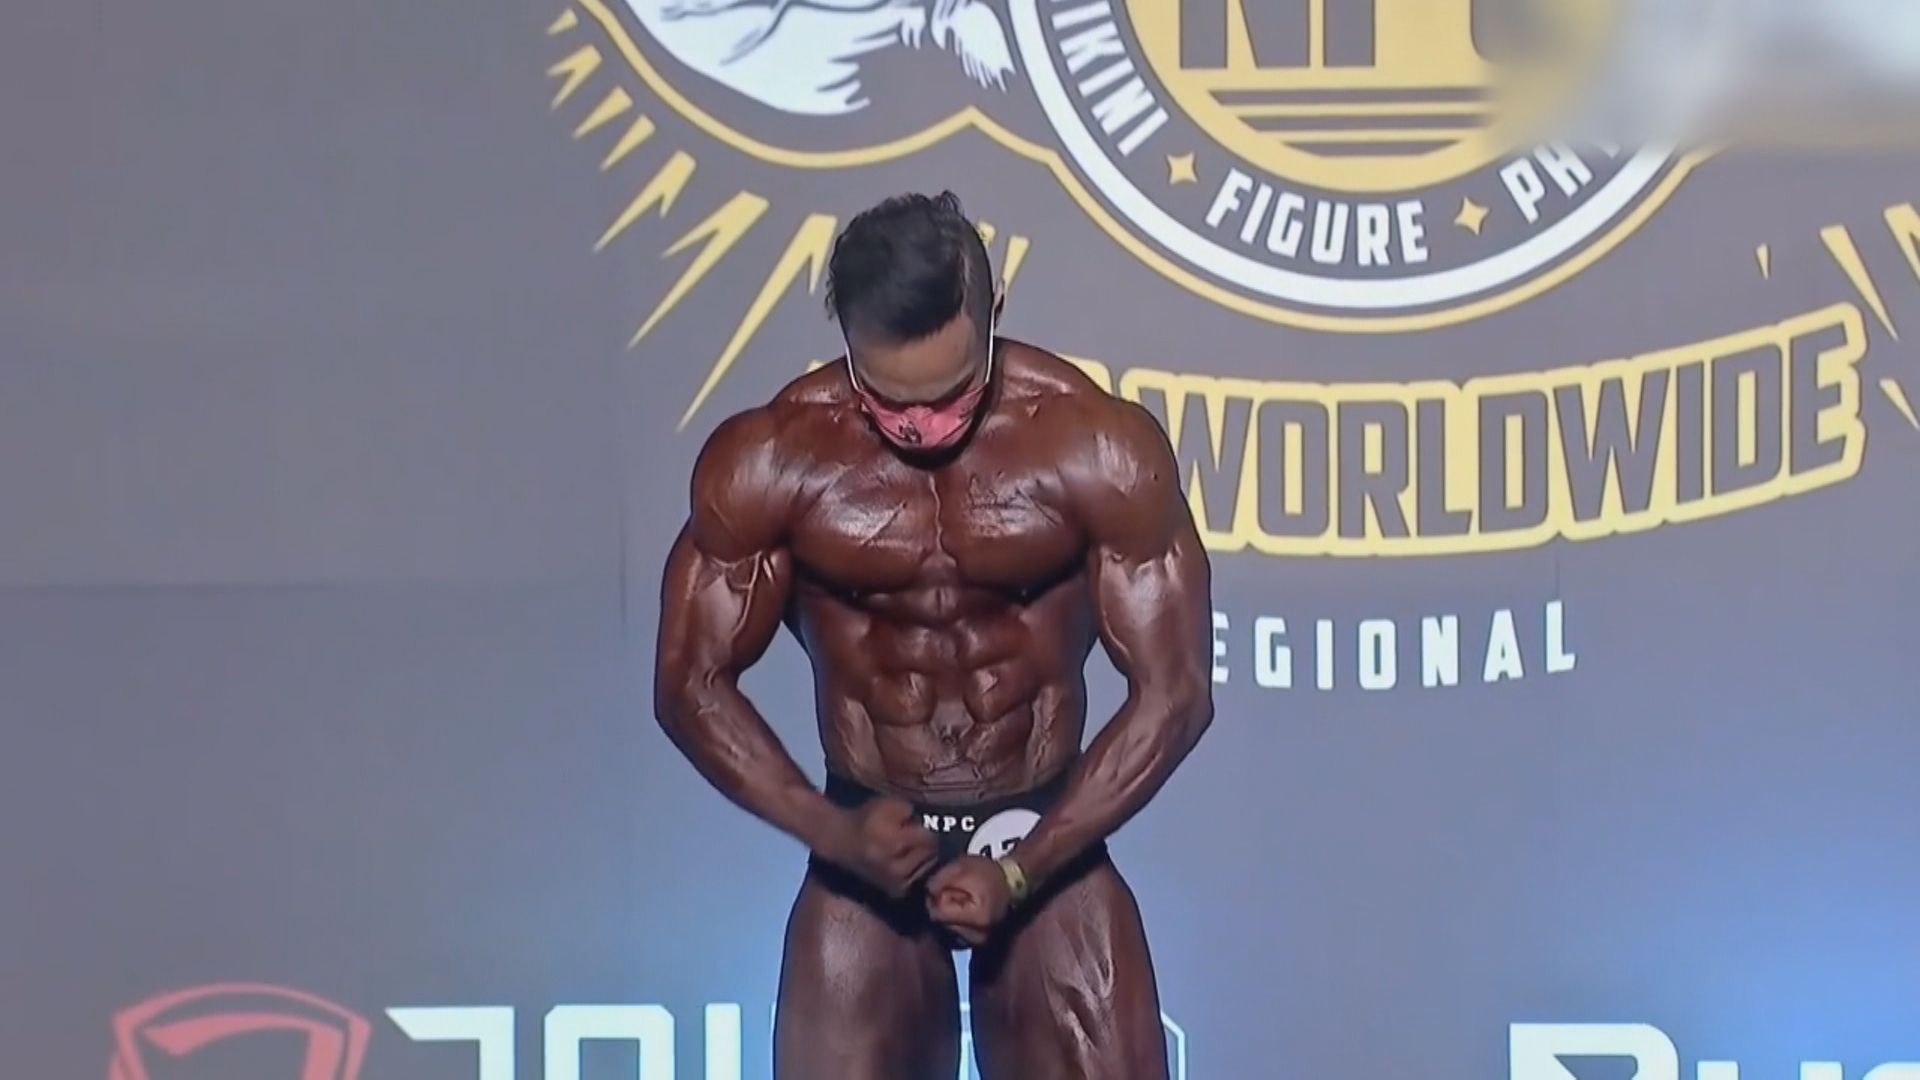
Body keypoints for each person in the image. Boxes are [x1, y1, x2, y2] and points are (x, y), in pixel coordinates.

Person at [654, 191, 1214, 1079]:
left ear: (995, 313)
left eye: (953, 395)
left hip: (1047, 837)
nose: (921, 428)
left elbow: (1175, 694)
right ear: (847, 343)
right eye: (890, 401)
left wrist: (1024, 868)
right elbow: (690, 682)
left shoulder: (1095, 447)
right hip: (867, 842)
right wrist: (829, 831)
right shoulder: (774, 460)